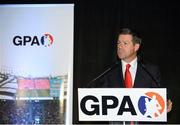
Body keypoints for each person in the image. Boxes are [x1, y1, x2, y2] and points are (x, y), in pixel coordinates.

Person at [87, 28, 172, 124]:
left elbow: (159, 94)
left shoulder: (150, 70)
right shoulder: (109, 72)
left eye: (125, 43)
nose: (120, 46)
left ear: (136, 47)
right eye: (118, 43)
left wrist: (165, 102)